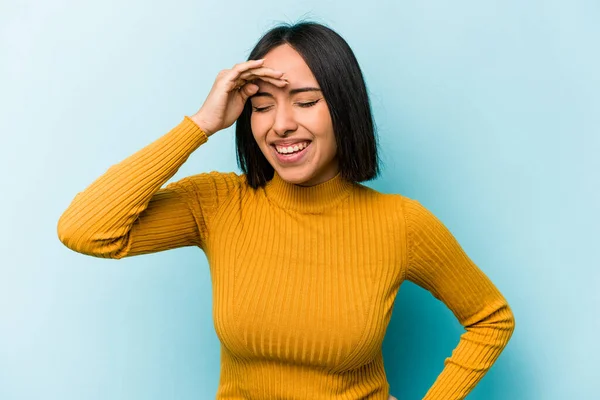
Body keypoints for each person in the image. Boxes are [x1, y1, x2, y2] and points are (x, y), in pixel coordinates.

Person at [57, 21, 515, 400]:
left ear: (344, 108)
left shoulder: (401, 224)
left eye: (306, 101)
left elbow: (490, 318)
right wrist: (201, 124)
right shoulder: (217, 204)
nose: (281, 125)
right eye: (261, 105)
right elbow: (85, 229)